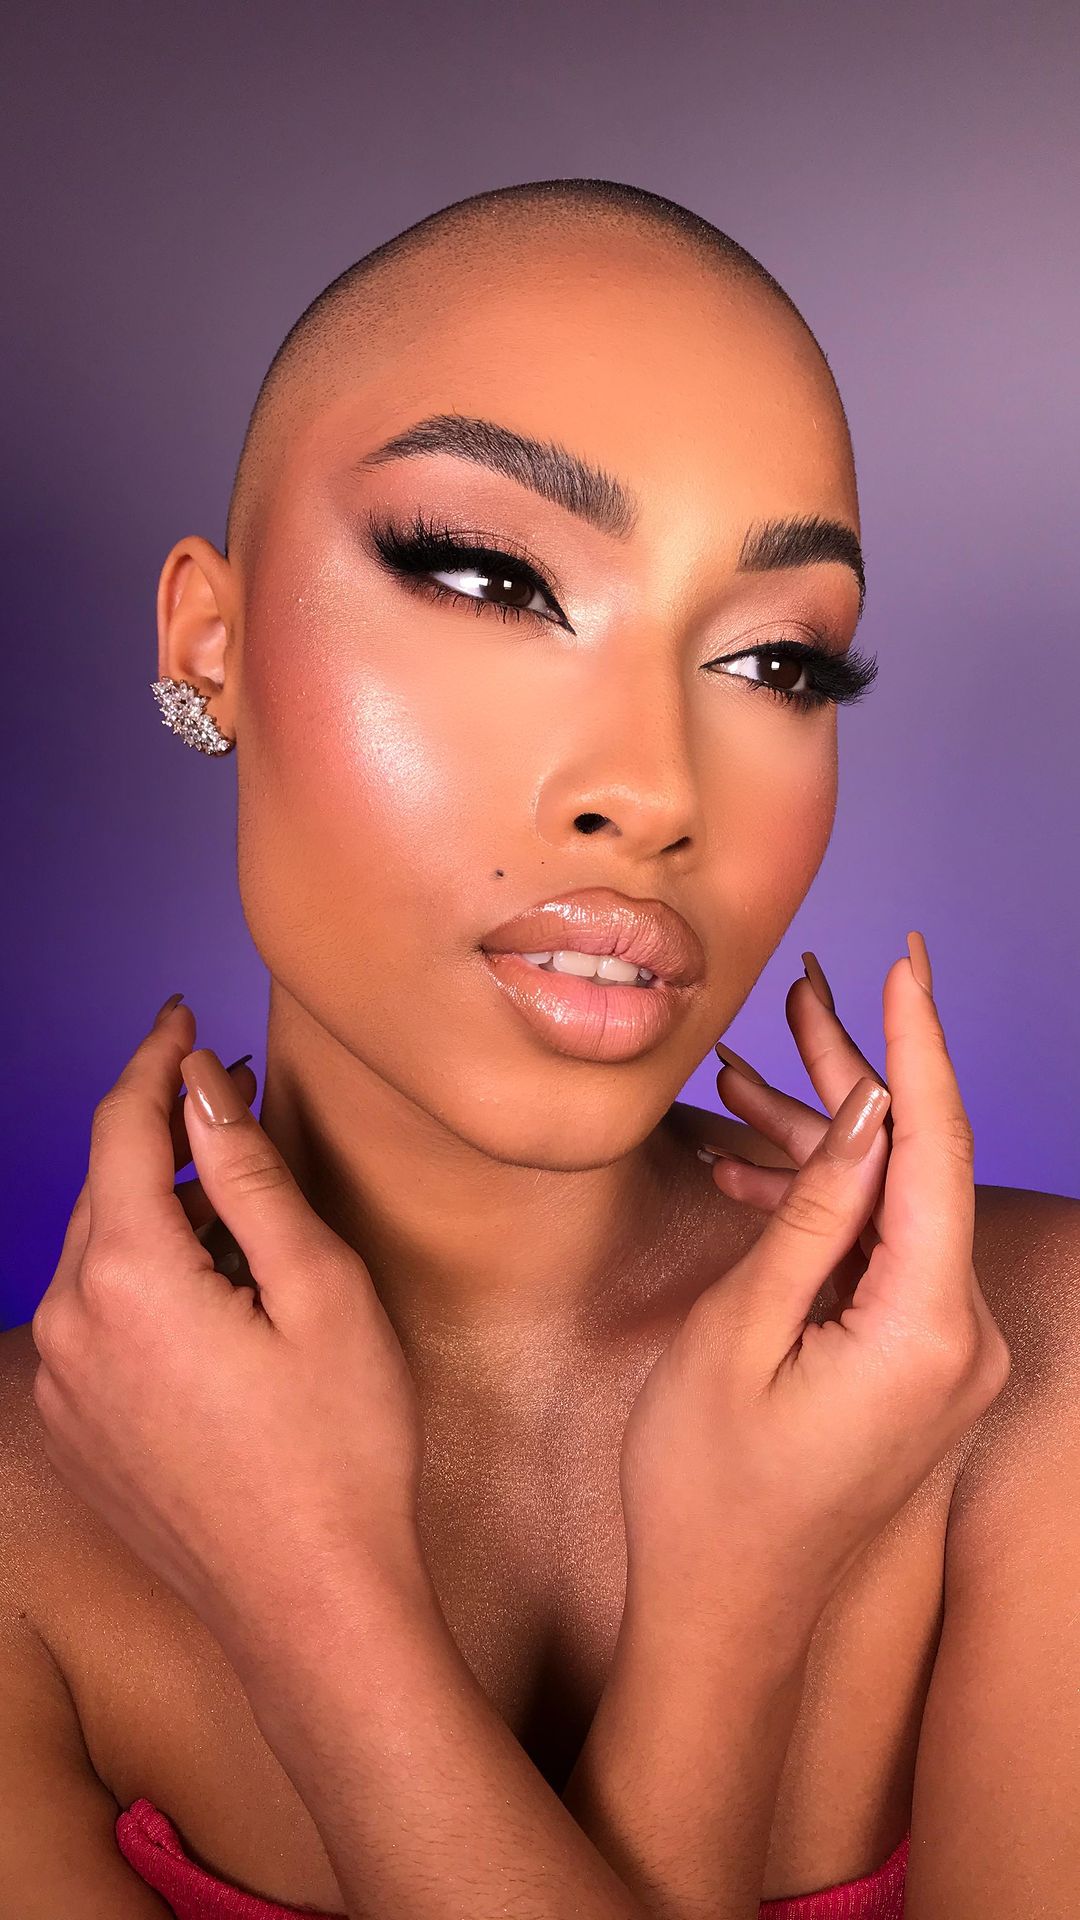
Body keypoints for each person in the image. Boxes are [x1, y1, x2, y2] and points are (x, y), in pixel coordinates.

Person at [2, 177, 1077, 1919]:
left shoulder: (1043, 1380)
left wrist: (340, 1621)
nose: (650, 790)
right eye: (489, 576)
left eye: (776, 663)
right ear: (212, 640)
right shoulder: (17, 1543)